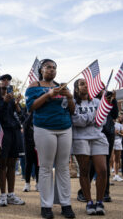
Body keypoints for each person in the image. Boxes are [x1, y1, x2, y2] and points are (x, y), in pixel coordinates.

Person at [26, 59, 75, 219]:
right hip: (44, 127)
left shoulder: (62, 86)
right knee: (46, 167)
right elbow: (31, 107)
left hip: (65, 127)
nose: (52, 70)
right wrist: (48, 94)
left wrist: (69, 97)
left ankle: (66, 204)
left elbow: (72, 110)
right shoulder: (34, 86)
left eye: (54, 67)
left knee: (63, 167)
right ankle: (46, 206)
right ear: (41, 70)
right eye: (48, 67)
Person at [72, 78, 109, 216]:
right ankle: (89, 202)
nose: (86, 86)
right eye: (82, 84)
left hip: (98, 137)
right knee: (84, 171)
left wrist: (86, 118)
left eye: (87, 83)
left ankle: (100, 202)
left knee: (103, 170)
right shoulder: (73, 103)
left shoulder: (98, 102)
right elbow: (76, 121)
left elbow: (102, 121)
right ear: (76, 88)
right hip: (80, 138)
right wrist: (93, 117)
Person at [0, 74, 26, 207]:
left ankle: (11, 194)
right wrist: (5, 102)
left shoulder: (12, 99)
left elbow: (22, 116)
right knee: (2, 164)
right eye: (3, 80)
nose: (6, 82)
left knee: (12, 164)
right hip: (2, 133)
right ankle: (2, 195)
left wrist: (17, 106)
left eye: (8, 80)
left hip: (14, 132)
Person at [22, 111, 39, 192]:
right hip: (28, 144)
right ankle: (27, 183)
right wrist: (33, 112)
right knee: (28, 164)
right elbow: (25, 124)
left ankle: (38, 183)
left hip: (38, 144)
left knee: (37, 165)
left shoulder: (38, 117)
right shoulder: (25, 116)